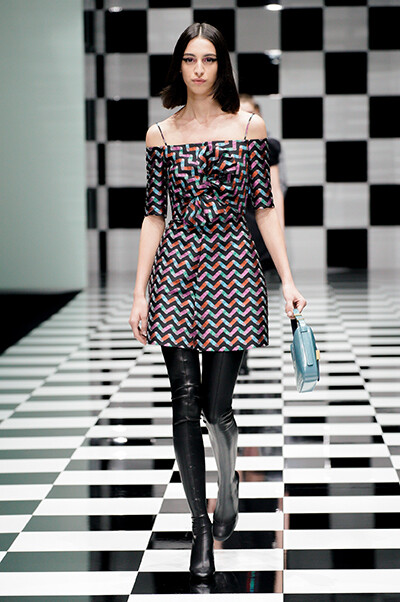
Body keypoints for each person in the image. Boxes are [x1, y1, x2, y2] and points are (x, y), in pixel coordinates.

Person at [128, 22, 306, 581]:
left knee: (216, 406)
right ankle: (200, 527)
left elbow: (264, 207)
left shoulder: (249, 127)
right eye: (189, 59)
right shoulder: (160, 135)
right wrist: (139, 291)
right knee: (184, 401)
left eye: (208, 59)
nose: (199, 69)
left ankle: (228, 482)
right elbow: (154, 215)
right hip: (176, 271)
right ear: (178, 66)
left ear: (221, 66)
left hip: (232, 268)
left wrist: (288, 279)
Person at [238, 93, 287, 374]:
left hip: (259, 221)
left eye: (251, 113)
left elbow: (275, 188)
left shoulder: (268, 147)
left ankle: (241, 349)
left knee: (251, 290)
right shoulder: (222, 143)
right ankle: (236, 352)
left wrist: (279, 229)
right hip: (232, 221)